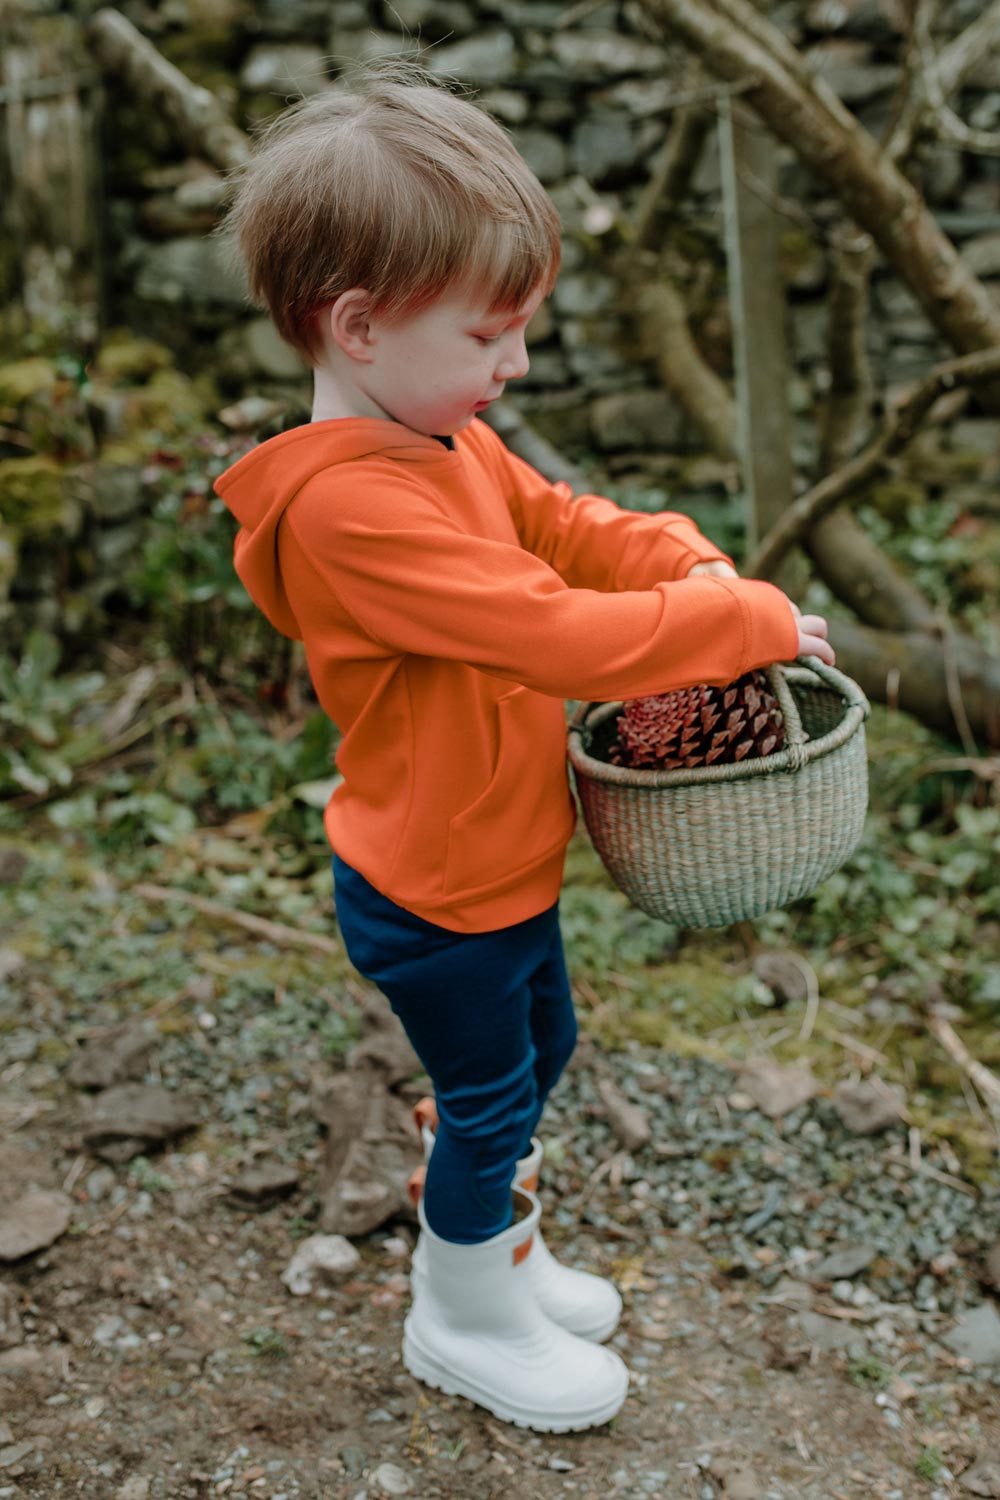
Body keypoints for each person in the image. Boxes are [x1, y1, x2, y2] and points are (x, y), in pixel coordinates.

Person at [214, 61, 835, 1434]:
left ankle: (498, 1252)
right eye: (495, 334)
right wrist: (737, 622)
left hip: (498, 857)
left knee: (536, 1057)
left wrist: (698, 565)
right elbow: (548, 632)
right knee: (491, 1096)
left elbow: (566, 524)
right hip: (434, 890)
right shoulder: (345, 512)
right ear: (361, 326)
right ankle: (461, 1313)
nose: (520, 365)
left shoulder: (444, 436)